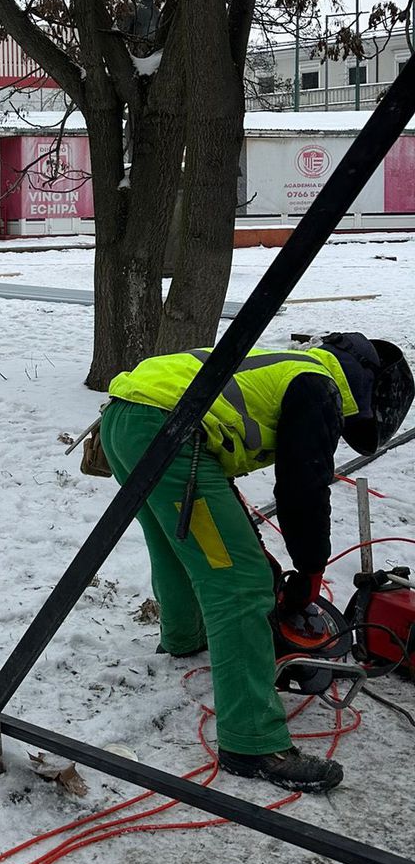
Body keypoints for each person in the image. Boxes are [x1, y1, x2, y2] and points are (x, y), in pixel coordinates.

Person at [99, 332, 414, 793]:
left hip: (125, 420)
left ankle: (186, 638)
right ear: (369, 387)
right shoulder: (318, 387)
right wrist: (311, 570)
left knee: (175, 544)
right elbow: (303, 489)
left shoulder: (289, 367)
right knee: (241, 584)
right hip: (168, 430)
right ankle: (252, 742)